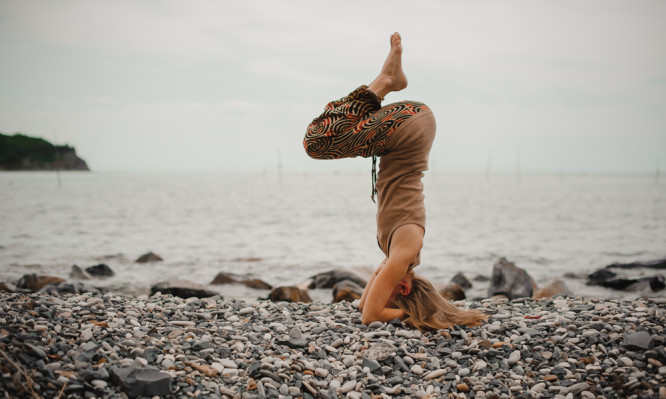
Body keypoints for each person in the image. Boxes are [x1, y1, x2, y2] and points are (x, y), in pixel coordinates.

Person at [304, 33, 486, 330]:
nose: (379, 295)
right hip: (411, 129)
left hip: (407, 131)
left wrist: (392, 303)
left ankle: (386, 82)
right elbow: (371, 316)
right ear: (402, 289)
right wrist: (407, 314)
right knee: (318, 142)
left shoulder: (398, 256)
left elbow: (364, 306)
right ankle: (386, 80)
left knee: (325, 137)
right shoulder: (403, 253)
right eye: (392, 297)